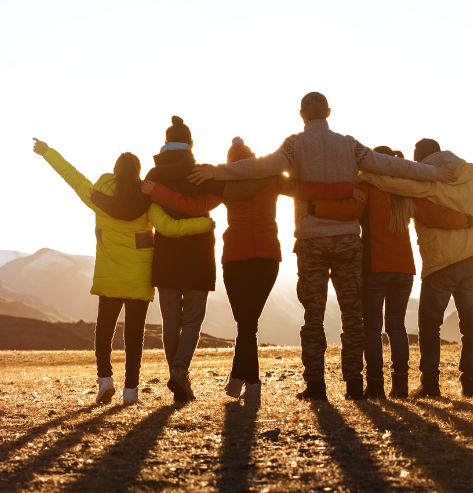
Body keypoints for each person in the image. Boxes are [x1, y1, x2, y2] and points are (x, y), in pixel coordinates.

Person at [188, 92, 457, 401]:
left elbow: (258, 167)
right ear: (328, 112)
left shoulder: (293, 145)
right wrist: (434, 173)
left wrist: (216, 171)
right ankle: (354, 385)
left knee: (312, 316)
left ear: (301, 115)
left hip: (311, 240)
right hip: (346, 239)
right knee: (352, 315)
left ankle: (316, 385)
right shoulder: (349, 144)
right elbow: (389, 166)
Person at [143, 136, 353, 403]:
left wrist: (157, 191)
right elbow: (308, 189)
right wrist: (345, 189)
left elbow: (192, 206)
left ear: (231, 164)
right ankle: (240, 382)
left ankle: (248, 383)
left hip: (236, 258)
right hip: (267, 258)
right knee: (247, 325)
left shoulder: (226, 183)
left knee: (246, 325)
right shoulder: (272, 177)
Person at [32, 137, 214, 406]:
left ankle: (105, 380)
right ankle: (131, 390)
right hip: (139, 280)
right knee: (134, 336)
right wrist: (203, 224)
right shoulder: (147, 202)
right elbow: (169, 228)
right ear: (138, 173)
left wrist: (47, 152)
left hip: (109, 277)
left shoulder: (97, 196)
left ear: (115, 171)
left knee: (104, 331)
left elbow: (70, 174)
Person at [358, 124, 473, 398]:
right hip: (471, 257)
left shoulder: (424, 181)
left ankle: (430, 384)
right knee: (470, 323)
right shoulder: (471, 174)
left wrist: (364, 174)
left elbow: (393, 182)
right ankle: (470, 384)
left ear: (419, 161)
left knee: (430, 325)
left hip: (441, 262)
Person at [311, 146, 473, 399]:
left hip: (375, 266)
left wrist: (315, 208)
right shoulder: (407, 193)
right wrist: (468, 220)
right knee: (397, 326)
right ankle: (400, 385)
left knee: (371, 326)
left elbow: (349, 210)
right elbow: (435, 215)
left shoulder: (368, 187)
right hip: (404, 269)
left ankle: (376, 385)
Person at [143, 116, 223, 404]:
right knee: (191, 320)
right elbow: (218, 195)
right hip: (199, 254)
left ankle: (176, 374)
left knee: (170, 320)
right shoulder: (200, 173)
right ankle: (180, 371)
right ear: (191, 144)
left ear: (165, 144)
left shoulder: (153, 174)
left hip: (166, 256)